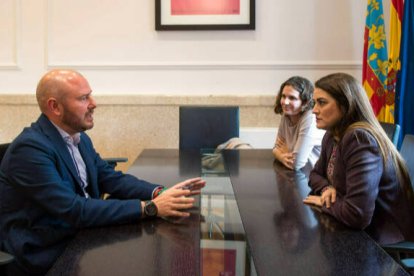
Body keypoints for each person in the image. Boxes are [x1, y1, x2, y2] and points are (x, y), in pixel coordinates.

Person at [0, 69, 206, 275]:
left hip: (79, 236)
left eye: (90, 94)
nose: (93, 103)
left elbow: (109, 177)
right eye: (83, 98)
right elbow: (73, 209)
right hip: (45, 252)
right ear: (55, 107)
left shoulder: (78, 138)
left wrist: (159, 193)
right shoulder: (29, 150)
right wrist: (150, 208)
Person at [303, 72, 414, 245]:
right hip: (354, 230)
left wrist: (325, 203)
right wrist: (326, 189)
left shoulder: (359, 139)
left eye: (322, 102)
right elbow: (315, 175)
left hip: (381, 240)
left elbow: (357, 215)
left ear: (346, 105)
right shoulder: (332, 135)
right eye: (314, 102)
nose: (314, 110)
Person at [272, 76, 324, 170]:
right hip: (295, 174)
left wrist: (282, 151)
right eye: (283, 96)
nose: (285, 102)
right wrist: (280, 155)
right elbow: (275, 148)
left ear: (305, 102)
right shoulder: (286, 114)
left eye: (292, 98)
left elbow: (296, 163)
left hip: (312, 177)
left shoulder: (310, 118)